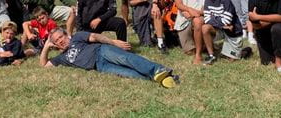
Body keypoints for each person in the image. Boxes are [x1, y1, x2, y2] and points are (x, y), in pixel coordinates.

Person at [41, 28, 179, 88]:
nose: (60, 41)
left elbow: (95, 36)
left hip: (101, 51)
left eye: (61, 37)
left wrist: (113, 42)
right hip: (100, 67)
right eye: (56, 40)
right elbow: (44, 65)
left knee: (127, 59)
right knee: (129, 74)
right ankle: (164, 79)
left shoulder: (77, 37)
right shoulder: (61, 58)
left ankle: (159, 69)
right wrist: (46, 47)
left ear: (66, 35)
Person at [201, 0, 251, 64]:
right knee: (205, 28)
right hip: (222, 28)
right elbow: (206, 19)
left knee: (233, 60)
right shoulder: (207, 1)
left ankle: (244, 51)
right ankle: (211, 55)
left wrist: (214, 18)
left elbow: (227, 20)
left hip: (233, 31)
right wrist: (221, 23)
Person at [173, 0, 207, 64]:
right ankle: (203, 45)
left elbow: (203, 9)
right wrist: (189, 10)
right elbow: (179, 4)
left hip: (198, 17)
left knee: (197, 21)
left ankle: (198, 56)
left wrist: (193, 14)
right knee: (189, 51)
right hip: (183, 19)